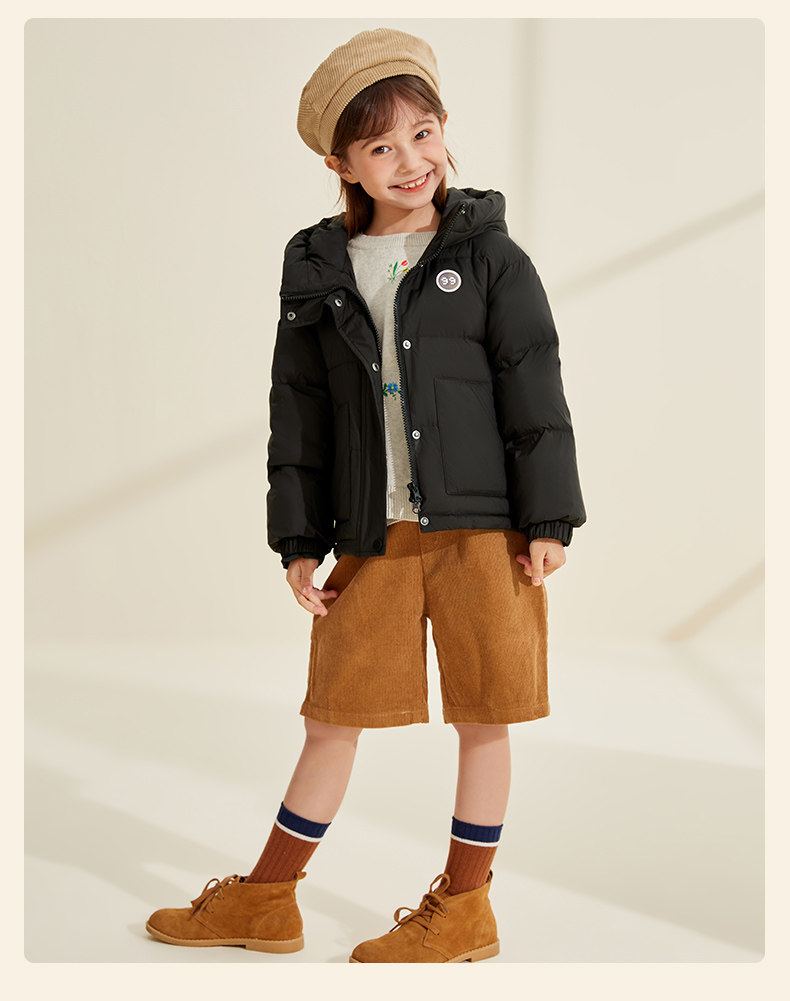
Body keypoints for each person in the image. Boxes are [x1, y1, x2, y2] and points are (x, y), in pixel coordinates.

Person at [145, 26, 586, 963]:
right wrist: (299, 538)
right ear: (342, 164)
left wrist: (549, 516)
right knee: (332, 716)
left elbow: (534, 383)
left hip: (484, 530)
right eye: (381, 146)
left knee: (484, 715)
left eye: (423, 133)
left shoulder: (490, 255)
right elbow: (297, 408)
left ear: (445, 129)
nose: (410, 160)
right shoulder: (319, 265)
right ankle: (268, 899)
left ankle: (465, 908)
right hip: (370, 532)